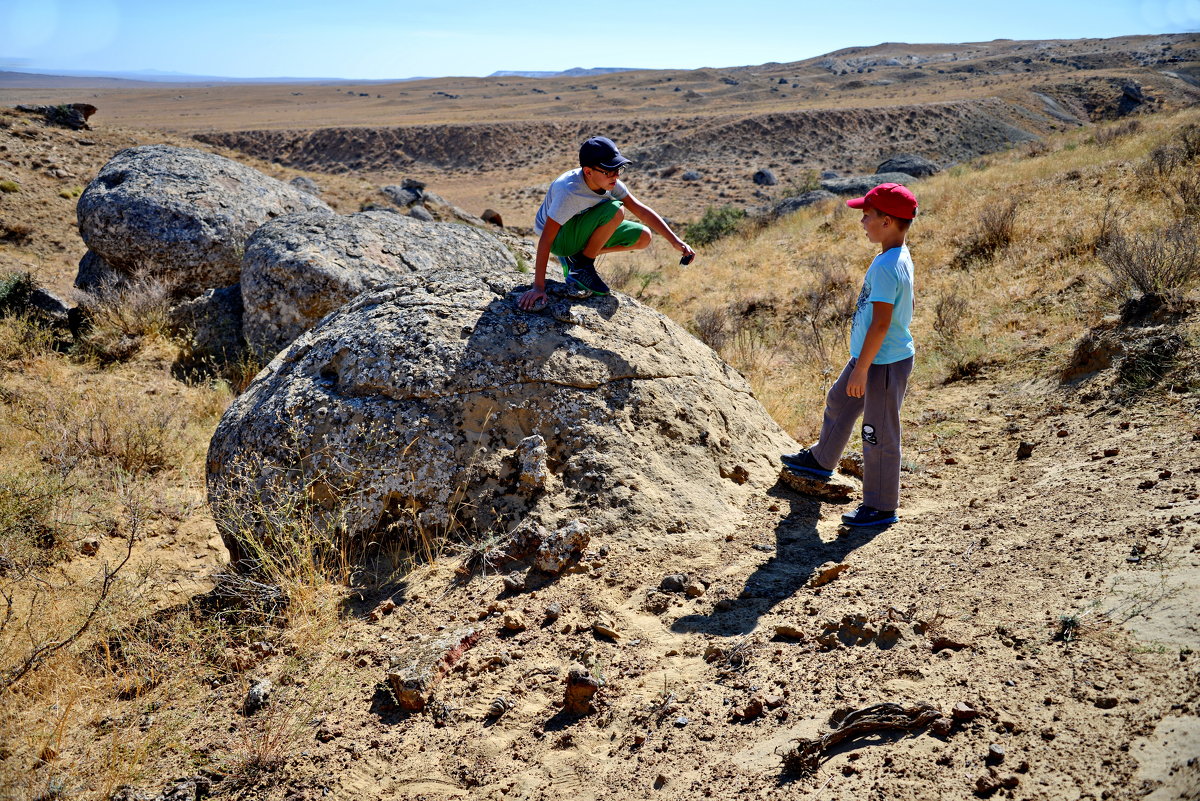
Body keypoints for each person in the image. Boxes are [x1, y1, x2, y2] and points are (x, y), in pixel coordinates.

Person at [782, 182, 918, 527]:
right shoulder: (893, 255)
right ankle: (821, 459)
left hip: (882, 363)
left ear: (887, 221)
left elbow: (882, 324)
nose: (862, 222)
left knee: (878, 433)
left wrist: (862, 370)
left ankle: (881, 506)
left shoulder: (888, 265)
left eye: (867, 216)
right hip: (870, 358)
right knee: (839, 401)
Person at [518, 136, 694, 311]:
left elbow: (641, 211)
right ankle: (582, 266)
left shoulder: (610, 182)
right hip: (560, 239)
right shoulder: (569, 191)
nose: (616, 175)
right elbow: (546, 239)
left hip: (579, 232)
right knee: (616, 209)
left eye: (619, 169)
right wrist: (538, 288)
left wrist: (675, 241)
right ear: (588, 172)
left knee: (643, 237)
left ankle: (579, 258)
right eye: (609, 171)